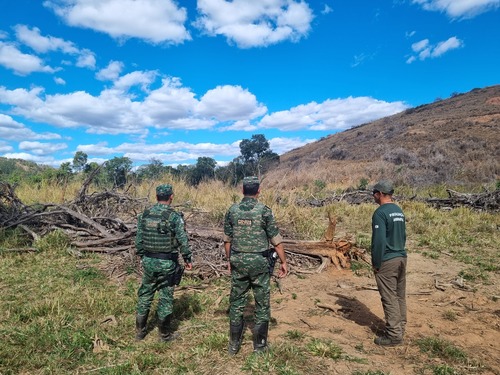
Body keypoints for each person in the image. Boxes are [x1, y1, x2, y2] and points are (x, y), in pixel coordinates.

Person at [223, 176, 288, 355]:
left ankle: (234, 345)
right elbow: (276, 241)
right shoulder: (264, 211)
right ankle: (260, 346)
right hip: (259, 263)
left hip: (238, 261)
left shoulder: (232, 210)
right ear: (258, 191)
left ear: (243, 190)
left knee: (236, 302)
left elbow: (227, 240)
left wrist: (230, 261)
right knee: (261, 303)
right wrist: (283, 262)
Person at [135, 184, 193, 342]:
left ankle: (140, 332)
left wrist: (143, 256)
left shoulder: (144, 215)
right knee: (166, 297)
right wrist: (187, 258)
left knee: (145, 295)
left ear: (156, 197)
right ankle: (164, 335)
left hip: (148, 260)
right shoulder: (174, 216)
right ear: (171, 197)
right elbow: (183, 240)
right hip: (167, 262)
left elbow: (138, 240)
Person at [371, 180, 407, 346]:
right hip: (401, 257)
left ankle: (393, 335)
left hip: (387, 260)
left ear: (380, 194)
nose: (373, 197)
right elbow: (403, 236)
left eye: (374, 193)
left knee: (389, 297)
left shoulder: (380, 213)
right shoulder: (398, 211)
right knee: (399, 295)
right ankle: (400, 327)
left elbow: (378, 241)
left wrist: (376, 262)